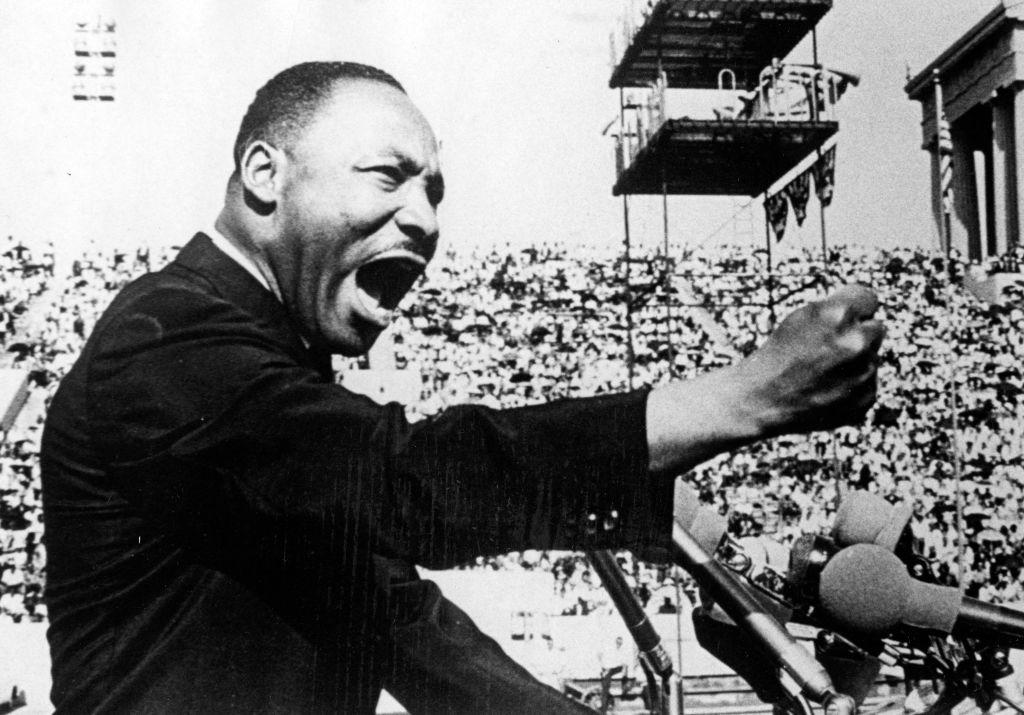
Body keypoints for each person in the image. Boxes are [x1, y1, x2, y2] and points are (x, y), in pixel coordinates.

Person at [41, 61, 883, 713]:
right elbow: (405, 479)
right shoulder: (163, 335)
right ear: (266, 173)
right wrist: (740, 398)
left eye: (434, 190)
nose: (427, 218)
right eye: (387, 175)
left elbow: (422, 638)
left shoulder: (281, 385)